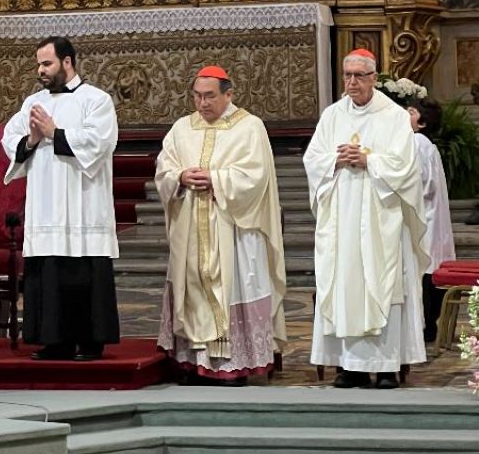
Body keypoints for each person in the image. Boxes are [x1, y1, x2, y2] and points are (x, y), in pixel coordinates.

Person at [304, 49, 428, 389]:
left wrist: (368, 159)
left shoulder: (392, 116)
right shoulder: (332, 115)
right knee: (344, 284)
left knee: (382, 284)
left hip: (380, 216)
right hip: (342, 217)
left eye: (359, 75)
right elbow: (313, 159)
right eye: (347, 75)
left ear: (374, 78)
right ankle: (350, 367)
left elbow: (405, 166)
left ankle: (386, 367)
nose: (352, 82)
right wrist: (336, 159)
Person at [155, 65, 287, 384]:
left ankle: (233, 366)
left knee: (232, 288)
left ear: (229, 94)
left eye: (210, 96)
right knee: (193, 288)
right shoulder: (182, 128)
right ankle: (194, 364)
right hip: (191, 227)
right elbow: (164, 169)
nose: (203, 104)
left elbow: (257, 178)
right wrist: (180, 177)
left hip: (234, 229)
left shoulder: (250, 127)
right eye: (198, 96)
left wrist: (216, 179)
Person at [1, 36, 120, 361]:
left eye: (47, 63)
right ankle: (53, 341)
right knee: (48, 268)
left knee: (83, 269)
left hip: (83, 201)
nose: (40, 70)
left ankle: (90, 341)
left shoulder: (96, 100)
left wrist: (55, 133)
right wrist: (33, 138)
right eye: (39, 63)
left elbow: (100, 142)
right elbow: (10, 138)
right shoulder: (33, 103)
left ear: (67, 62)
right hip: (45, 202)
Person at [409, 97, 455, 341]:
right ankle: (431, 325)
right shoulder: (428, 144)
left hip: (424, 218)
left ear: (423, 122)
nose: (406, 115)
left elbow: (419, 183)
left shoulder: (416, 142)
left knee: (424, 272)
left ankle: (425, 326)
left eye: (411, 112)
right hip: (432, 220)